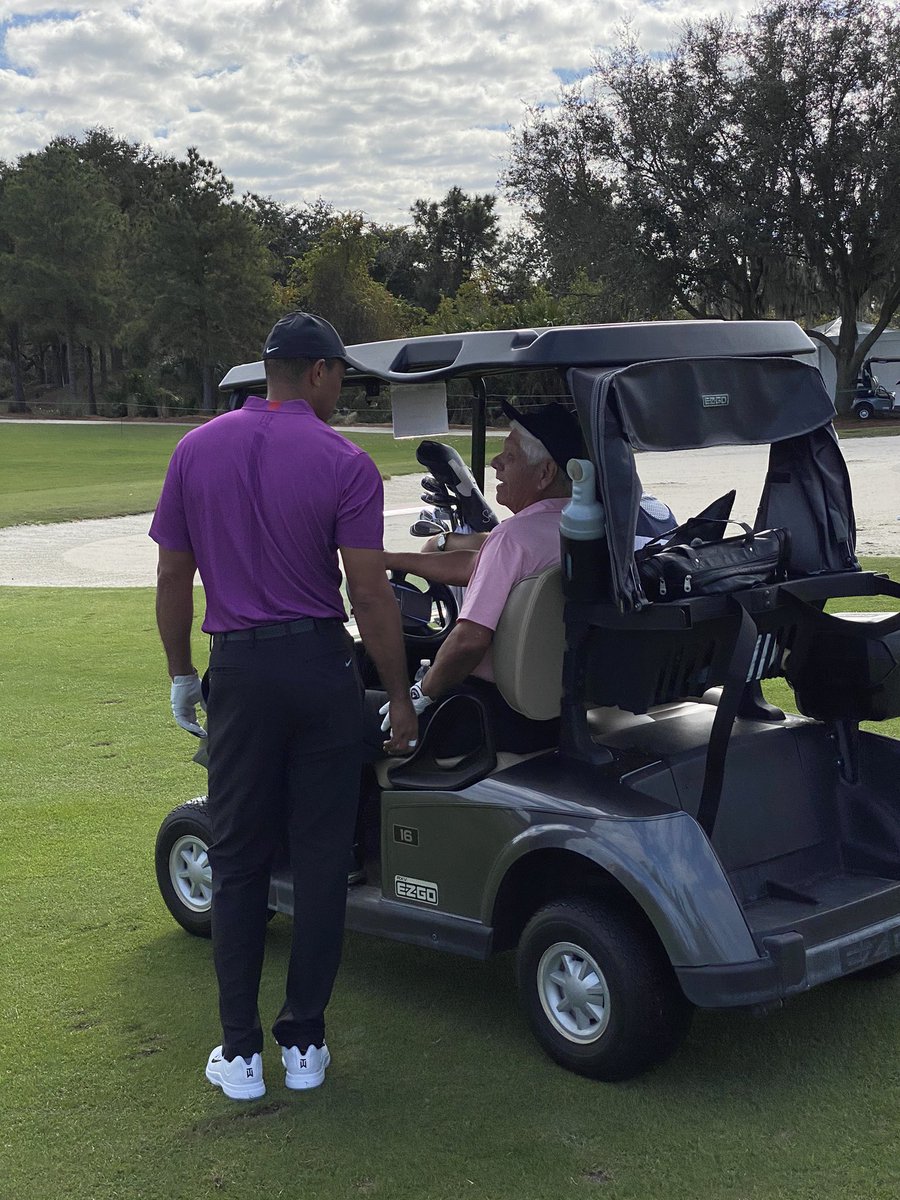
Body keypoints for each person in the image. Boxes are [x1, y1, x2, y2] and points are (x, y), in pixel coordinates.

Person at [149, 311, 416, 1103]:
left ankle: (239, 1053)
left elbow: (172, 578)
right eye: (341, 378)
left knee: (237, 861)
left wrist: (181, 673)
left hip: (239, 669)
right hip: (320, 668)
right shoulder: (345, 459)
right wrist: (401, 695)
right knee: (323, 857)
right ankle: (304, 1042)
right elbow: (369, 593)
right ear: (319, 372)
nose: (342, 392)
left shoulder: (195, 449)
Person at [380, 400, 586, 753]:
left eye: (510, 456)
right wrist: (392, 559)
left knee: (343, 717)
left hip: (489, 714)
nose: (495, 463)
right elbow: (477, 565)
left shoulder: (514, 538)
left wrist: (419, 696)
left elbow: (469, 641)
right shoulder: (580, 531)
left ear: (545, 473)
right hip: (559, 713)